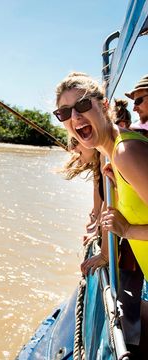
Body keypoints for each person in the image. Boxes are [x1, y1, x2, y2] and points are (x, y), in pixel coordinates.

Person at [53, 72, 148, 353]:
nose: (75, 116)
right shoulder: (112, 157)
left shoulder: (125, 152)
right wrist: (106, 254)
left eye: (83, 105)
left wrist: (128, 231)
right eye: (64, 112)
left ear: (103, 105)